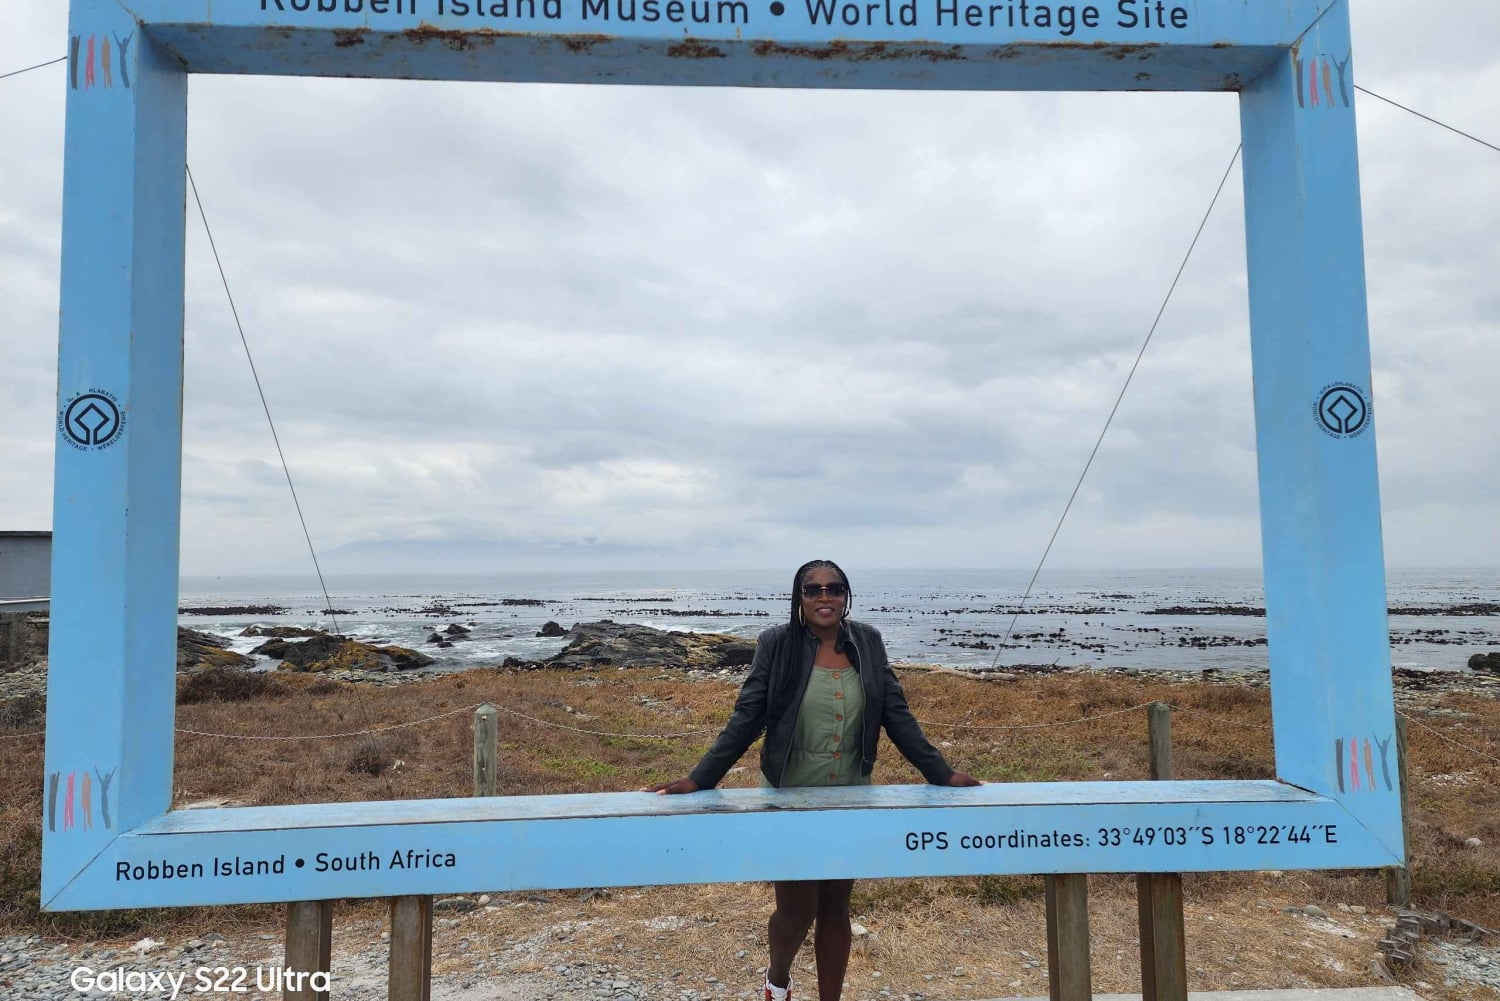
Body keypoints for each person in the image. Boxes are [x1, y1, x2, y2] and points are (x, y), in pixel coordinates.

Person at [646, 559, 981, 1001]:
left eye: (835, 588)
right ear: (798, 597)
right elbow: (748, 717)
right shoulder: (777, 643)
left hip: (850, 791)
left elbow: (895, 713)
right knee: (797, 908)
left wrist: (941, 772)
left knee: (836, 907)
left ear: (846, 595)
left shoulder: (867, 641)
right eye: (813, 590)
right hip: (790, 793)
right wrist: (700, 778)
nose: (825, 597)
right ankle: (778, 980)